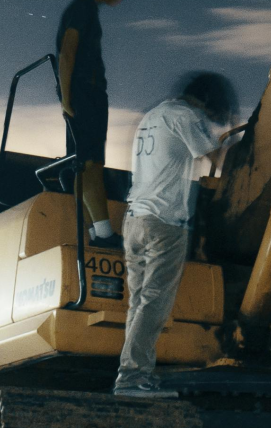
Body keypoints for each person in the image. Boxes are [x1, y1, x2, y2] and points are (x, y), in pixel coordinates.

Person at [114, 72, 237, 398]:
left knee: (139, 303)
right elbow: (217, 156)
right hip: (164, 223)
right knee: (155, 303)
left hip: (135, 219)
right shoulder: (186, 116)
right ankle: (132, 375)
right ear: (208, 100)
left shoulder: (154, 116)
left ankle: (134, 373)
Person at [57, 0, 121, 243]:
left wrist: (67, 97)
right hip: (87, 92)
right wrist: (66, 98)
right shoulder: (83, 9)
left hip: (82, 92)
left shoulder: (83, 9)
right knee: (91, 165)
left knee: (81, 166)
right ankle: (104, 234)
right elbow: (67, 51)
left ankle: (95, 232)